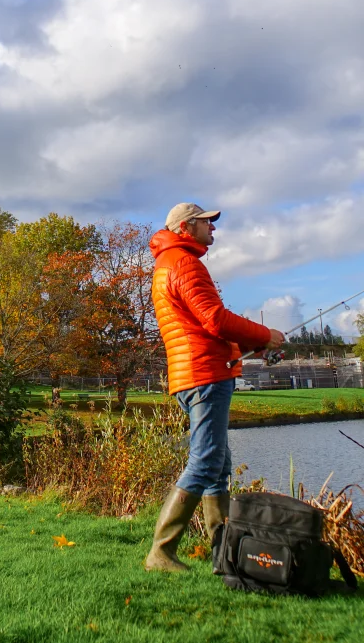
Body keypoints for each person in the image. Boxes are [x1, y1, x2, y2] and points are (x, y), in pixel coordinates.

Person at [144, 202, 285, 572]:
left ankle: (222, 552)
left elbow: (200, 326)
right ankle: (161, 552)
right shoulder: (184, 263)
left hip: (195, 372)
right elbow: (215, 319)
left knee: (218, 465)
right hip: (204, 376)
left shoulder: (168, 263)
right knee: (206, 460)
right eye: (208, 223)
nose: (214, 229)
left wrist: (249, 345)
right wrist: (265, 333)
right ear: (187, 227)